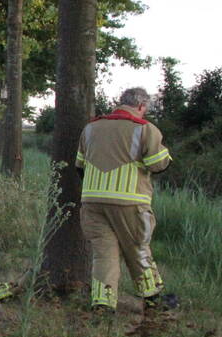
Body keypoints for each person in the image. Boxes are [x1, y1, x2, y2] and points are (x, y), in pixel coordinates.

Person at [76, 87, 177, 313]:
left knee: (104, 254)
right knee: (138, 249)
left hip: (92, 201)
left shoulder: (91, 128)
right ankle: (153, 299)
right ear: (141, 106)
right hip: (130, 202)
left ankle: (103, 304)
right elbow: (159, 164)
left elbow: (79, 166)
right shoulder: (145, 129)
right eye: (146, 109)